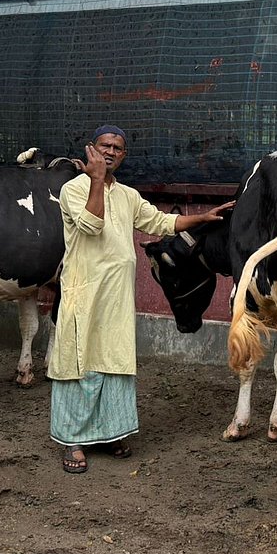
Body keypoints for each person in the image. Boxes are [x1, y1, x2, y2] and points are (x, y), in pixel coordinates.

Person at [49, 125, 233, 473]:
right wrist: (96, 181)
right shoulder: (73, 189)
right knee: (80, 362)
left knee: (114, 360)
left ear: (124, 155)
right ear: (92, 149)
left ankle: (111, 433)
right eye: (105, 145)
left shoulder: (128, 195)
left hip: (117, 297)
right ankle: (72, 439)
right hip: (84, 292)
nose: (111, 152)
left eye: (118, 148)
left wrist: (203, 218)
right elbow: (91, 224)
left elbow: (161, 221)